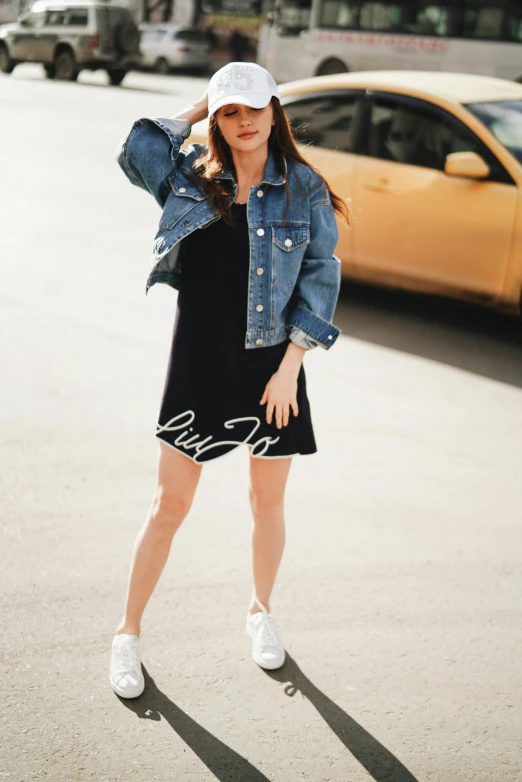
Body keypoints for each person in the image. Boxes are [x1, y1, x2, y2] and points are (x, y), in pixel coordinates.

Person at [110, 61, 349, 698]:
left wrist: (290, 369)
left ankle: (260, 613)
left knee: (266, 503)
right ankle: (126, 635)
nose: (244, 123)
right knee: (170, 506)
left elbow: (321, 278)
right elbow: (136, 148)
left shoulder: (304, 187)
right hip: (198, 359)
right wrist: (198, 106)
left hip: (272, 368)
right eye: (230, 112)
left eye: (253, 109)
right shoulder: (191, 178)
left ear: (276, 112)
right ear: (217, 119)